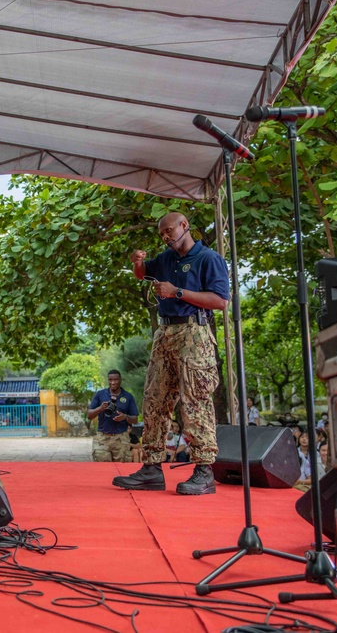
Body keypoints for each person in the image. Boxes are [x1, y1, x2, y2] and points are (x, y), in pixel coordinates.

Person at [113, 212, 230, 496]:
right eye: (162, 234)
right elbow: (143, 274)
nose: (165, 236)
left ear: (184, 226)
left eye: (169, 230)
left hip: (194, 333)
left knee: (195, 400)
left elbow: (220, 301)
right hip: (165, 334)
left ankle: (204, 470)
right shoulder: (165, 258)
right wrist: (138, 263)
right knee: (155, 399)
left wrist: (177, 292)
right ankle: (152, 467)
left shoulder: (208, 258)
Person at [87, 370, 138, 462]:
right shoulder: (100, 394)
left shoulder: (128, 397)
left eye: (115, 380)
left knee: (122, 470)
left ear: (120, 380)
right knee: (103, 470)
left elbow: (135, 419)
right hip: (102, 438)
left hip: (121, 438)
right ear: (108, 380)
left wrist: (125, 417)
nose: (113, 382)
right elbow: (89, 415)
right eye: (110, 380)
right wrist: (100, 408)